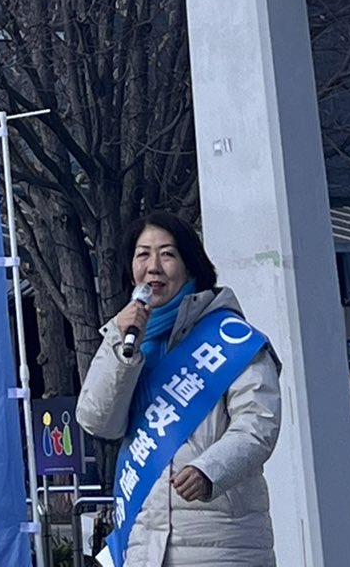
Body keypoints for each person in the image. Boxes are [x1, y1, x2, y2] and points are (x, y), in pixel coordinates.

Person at [76, 210, 281, 567]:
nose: (153, 267)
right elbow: (98, 421)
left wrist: (210, 470)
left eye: (167, 254)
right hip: (144, 543)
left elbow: (258, 424)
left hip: (222, 543)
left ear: (191, 265)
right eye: (143, 255)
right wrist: (120, 348)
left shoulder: (230, 338)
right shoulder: (128, 338)